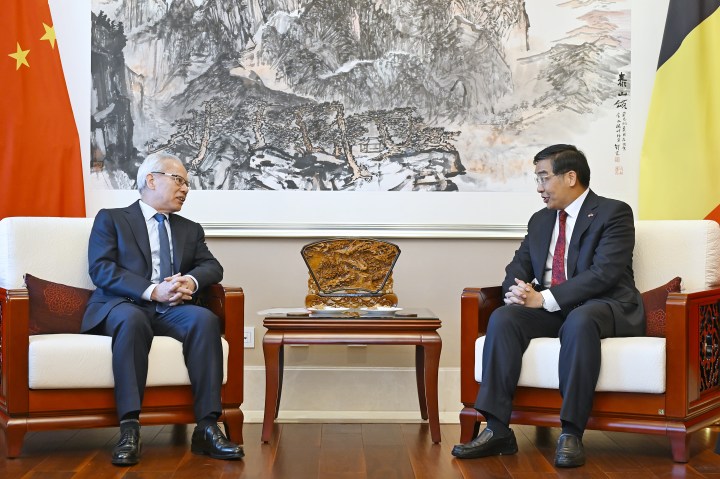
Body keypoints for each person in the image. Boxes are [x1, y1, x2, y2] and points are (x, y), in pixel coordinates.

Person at [451, 144, 644, 467]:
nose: (539, 188)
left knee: (580, 320)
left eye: (544, 177)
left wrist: (543, 299)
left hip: (604, 305)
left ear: (571, 177)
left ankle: (571, 432)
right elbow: (519, 266)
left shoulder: (614, 213)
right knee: (504, 317)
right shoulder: (541, 220)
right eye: (537, 179)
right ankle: (497, 429)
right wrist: (516, 292)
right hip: (556, 309)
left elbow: (604, 274)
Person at [82, 152, 244, 466]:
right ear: (151, 180)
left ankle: (207, 427)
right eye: (179, 180)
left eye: (187, 183)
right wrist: (153, 290)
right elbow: (101, 269)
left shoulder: (189, 229)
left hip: (172, 309)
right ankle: (130, 428)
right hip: (125, 304)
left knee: (204, 320)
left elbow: (212, 267)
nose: (185, 189)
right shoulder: (112, 219)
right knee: (131, 320)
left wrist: (190, 281)